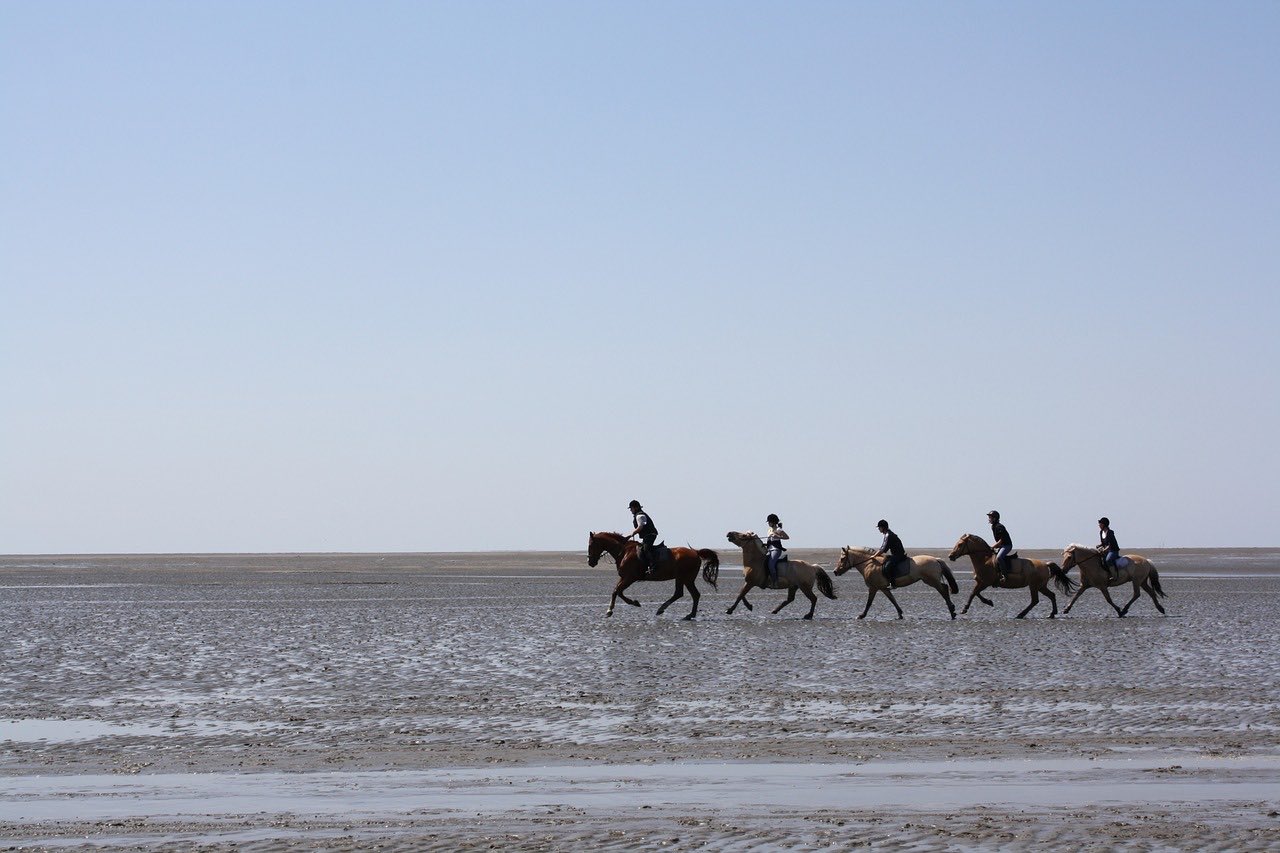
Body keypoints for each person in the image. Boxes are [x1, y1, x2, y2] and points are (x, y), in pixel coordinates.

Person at [625, 500, 659, 578]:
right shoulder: (638, 515)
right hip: (646, 536)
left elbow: (640, 527)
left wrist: (632, 534)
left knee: (646, 549)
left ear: (636, 508)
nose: (630, 510)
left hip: (650, 535)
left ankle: (653, 566)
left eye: (631, 508)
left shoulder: (640, 516)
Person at [764, 513, 789, 587]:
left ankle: (775, 582)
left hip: (776, 550)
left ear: (773, 522)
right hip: (769, 549)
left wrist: (778, 536)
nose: (768, 523)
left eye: (769, 522)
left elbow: (787, 537)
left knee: (771, 564)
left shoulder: (778, 529)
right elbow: (770, 541)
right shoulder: (769, 530)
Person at [988, 510, 1013, 583]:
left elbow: (1001, 541)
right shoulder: (993, 526)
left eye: (990, 517)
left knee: (999, 557)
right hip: (1001, 546)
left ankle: (1005, 575)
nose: (989, 519)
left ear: (994, 518)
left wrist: (992, 547)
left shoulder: (999, 526)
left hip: (1007, 545)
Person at [1098, 517, 1120, 581]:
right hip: (1106, 550)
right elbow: (1103, 543)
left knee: (1108, 560)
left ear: (1104, 525)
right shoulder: (1101, 532)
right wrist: (1099, 545)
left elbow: (1110, 544)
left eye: (1100, 524)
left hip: (1113, 550)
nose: (1099, 525)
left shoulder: (1110, 532)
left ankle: (1114, 575)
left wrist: (1104, 550)